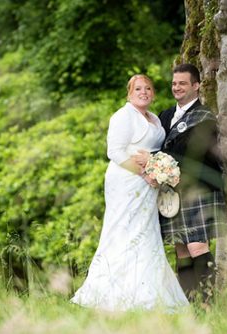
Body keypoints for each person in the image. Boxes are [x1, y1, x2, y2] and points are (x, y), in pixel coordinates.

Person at [71, 74, 189, 312]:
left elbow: (158, 150)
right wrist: (146, 174)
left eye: (147, 88)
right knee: (124, 230)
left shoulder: (155, 118)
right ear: (129, 93)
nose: (143, 92)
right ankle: (109, 292)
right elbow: (114, 151)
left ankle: (150, 291)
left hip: (149, 184)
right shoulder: (123, 116)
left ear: (153, 93)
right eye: (138, 89)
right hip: (126, 180)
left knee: (146, 231)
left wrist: (158, 170)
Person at [158, 64, 227, 302]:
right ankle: (189, 303)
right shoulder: (165, 116)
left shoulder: (204, 116)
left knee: (197, 246)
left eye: (182, 83)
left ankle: (208, 303)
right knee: (181, 249)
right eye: (174, 83)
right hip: (172, 194)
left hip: (198, 190)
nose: (177, 87)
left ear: (196, 86)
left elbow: (200, 155)